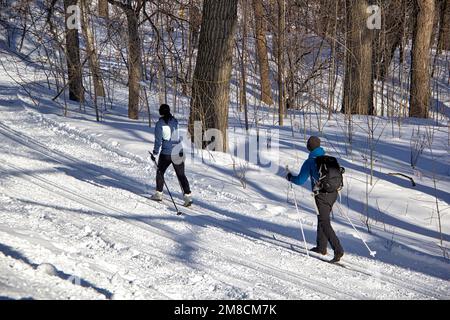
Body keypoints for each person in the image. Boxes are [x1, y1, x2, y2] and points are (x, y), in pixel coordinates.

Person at [286, 136, 344, 263]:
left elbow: (300, 180)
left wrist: (290, 177)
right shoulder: (328, 159)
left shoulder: (310, 161)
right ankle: (321, 247)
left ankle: (338, 250)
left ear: (309, 147)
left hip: (321, 195)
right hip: (333, 193)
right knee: (322, 218)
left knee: (324, 222)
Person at [151, 104, 192, 207]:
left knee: (160, 172)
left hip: (166, 153)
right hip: (178, 151)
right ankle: (187, 197)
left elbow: (158, 140)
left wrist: (155, 152)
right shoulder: (175, 121)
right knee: (181, 175)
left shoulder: (160, 124)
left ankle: (159, 194)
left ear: (161, 112)